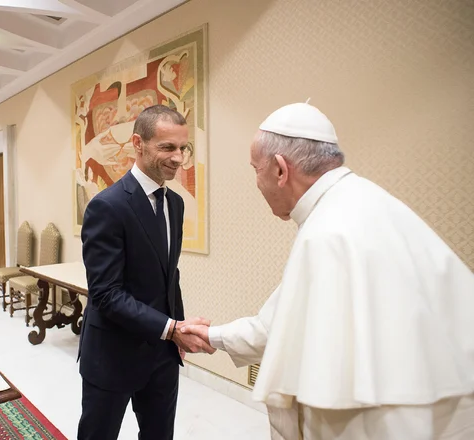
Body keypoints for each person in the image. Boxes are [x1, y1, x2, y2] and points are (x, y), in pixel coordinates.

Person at [181, 102, 474, 439]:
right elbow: (282, 322)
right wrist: (213, 336)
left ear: (280, 170)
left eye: (255, 169)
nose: (257, 183)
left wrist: (210, 336)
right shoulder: (366, 201)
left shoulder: (328, 232)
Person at [77, 105, 215, 440]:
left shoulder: (176, 205)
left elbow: (170, 276)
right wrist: (172, 328)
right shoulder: (107, 206)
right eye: (167, 148)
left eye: (184, 148)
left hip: (162, 355)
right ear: (138, 144)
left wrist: (176, 330)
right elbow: (106, 294)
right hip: (112, 355)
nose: (178, 158)